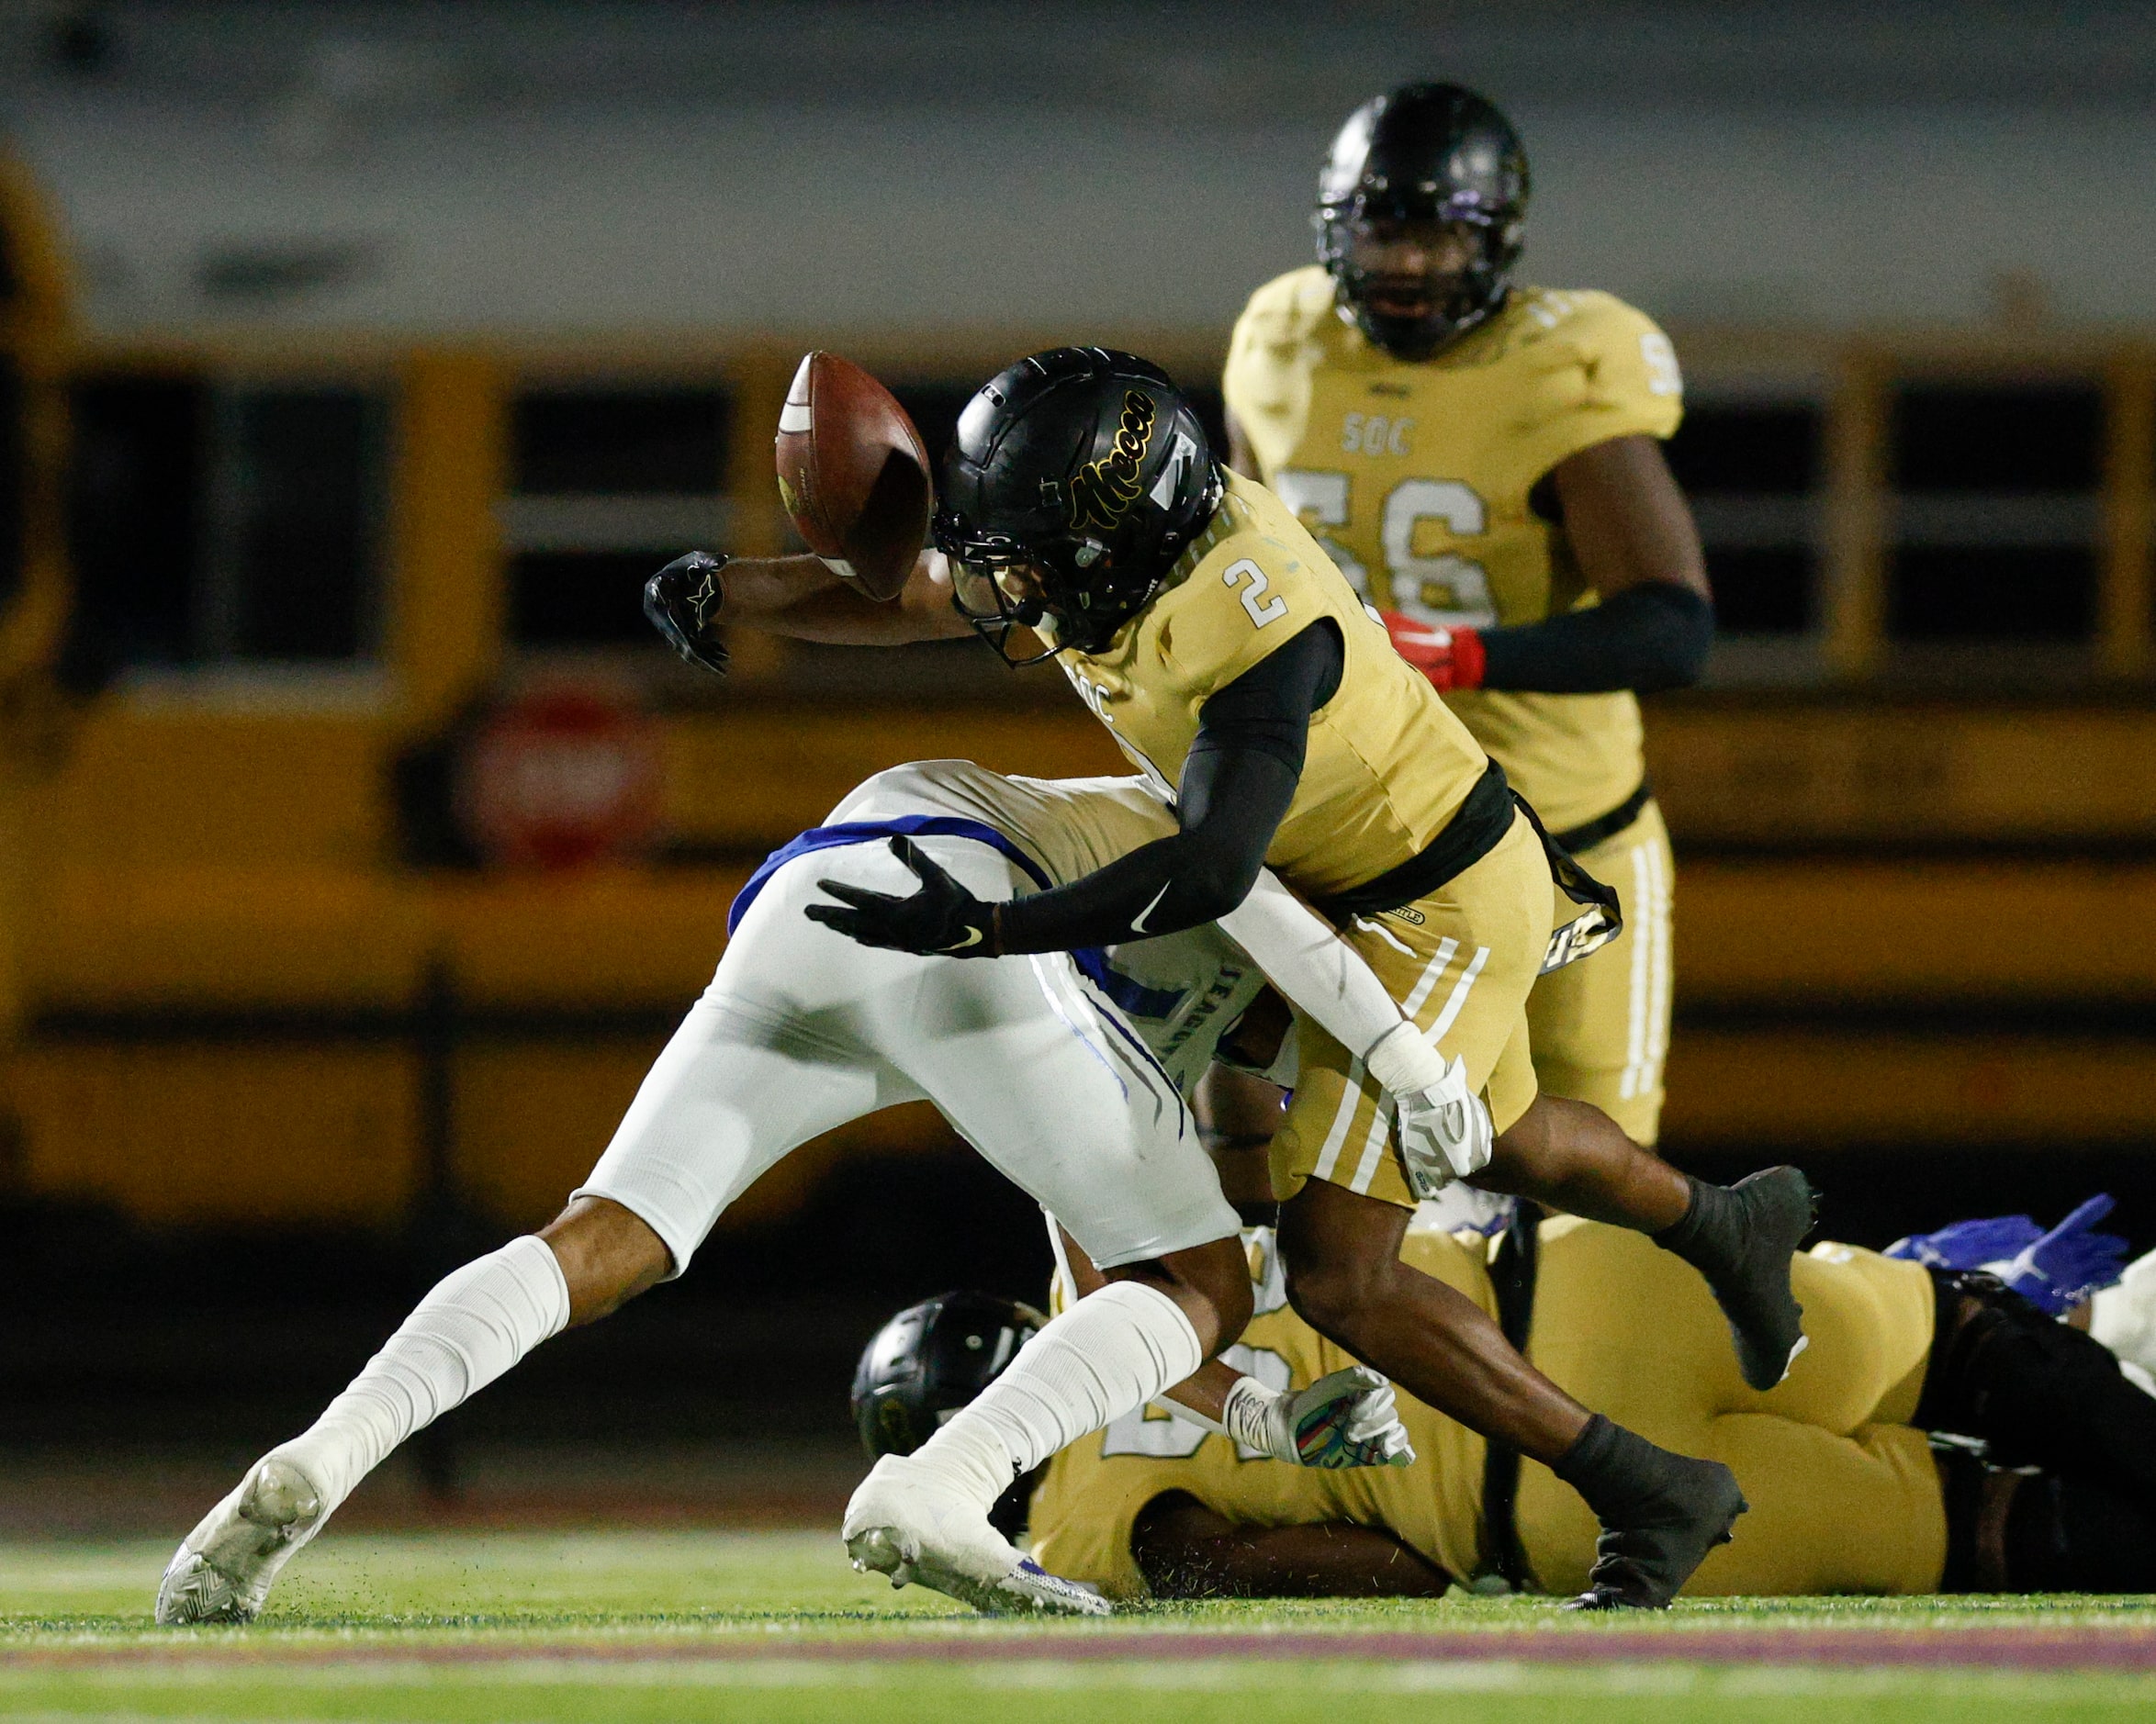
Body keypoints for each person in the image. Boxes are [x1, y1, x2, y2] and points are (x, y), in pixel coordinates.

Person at [646, 344, 1808, 1607]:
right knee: (1511, 1136)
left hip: (1429, 902)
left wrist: (996, 925)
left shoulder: (1258, 625)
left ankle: (1649, 1491)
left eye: (1040, 556)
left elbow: (1207, 871)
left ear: (1124, 541)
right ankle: (1723, 1220)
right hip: (1340, 881)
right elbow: (930, 593)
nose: (1009, 582)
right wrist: (738, 593)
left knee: (1338, 1270)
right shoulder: (1127, 547)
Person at [155, 759, 1470, 1627]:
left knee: (607, 1233)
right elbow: (1240, 902)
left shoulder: (1157, 1018)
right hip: (958, 901)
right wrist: (1407, 1061)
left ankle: (316, 1460)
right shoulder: (1250, 867)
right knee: (1205, 1279)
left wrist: (1262, 1412)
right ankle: (934, 1490)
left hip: (815, 887)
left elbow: (1101, 1274)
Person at [1221, 81, 1710, 1155]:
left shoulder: (1561, 362)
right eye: (1383, 231)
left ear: (1495, 241)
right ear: (1334, 229)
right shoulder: (1278, 335)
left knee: (1586, 1190)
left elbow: (1673, 627)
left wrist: (1460, 652)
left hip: (1565, 850)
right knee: (1332, 1171)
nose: (1405, 266)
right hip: (1361, 844)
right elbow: (1240, 564)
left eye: (1438, 236)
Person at [854, 1204, 2156, 1601]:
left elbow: (1339, 1566)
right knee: (1964, 1341)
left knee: (1992, 1532)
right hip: (1577, 1293)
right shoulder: (1109, 1239)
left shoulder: (1084, 1528)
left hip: (1545, 1504)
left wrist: (1417, 1532)